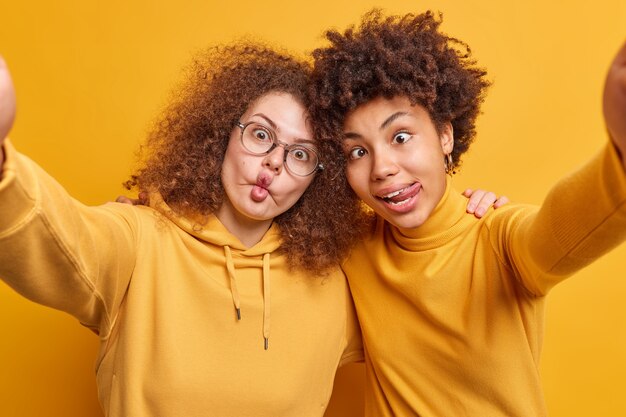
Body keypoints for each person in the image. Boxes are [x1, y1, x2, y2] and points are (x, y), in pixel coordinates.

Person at [0, 42, 369, 417]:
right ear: (224, 132)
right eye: (260, 135)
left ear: (319, 181)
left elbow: (418, 312)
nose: (274, 161)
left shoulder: (332, 286)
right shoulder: (140, 240)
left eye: (301, 154)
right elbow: (60, 239)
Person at [308, 9, 626, 417]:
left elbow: (559, 229)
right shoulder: (351, 246)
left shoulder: (497, 238)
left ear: (445, 134)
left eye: (401, 136)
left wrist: (618, 155)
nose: (382, 167)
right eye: (357, 151)